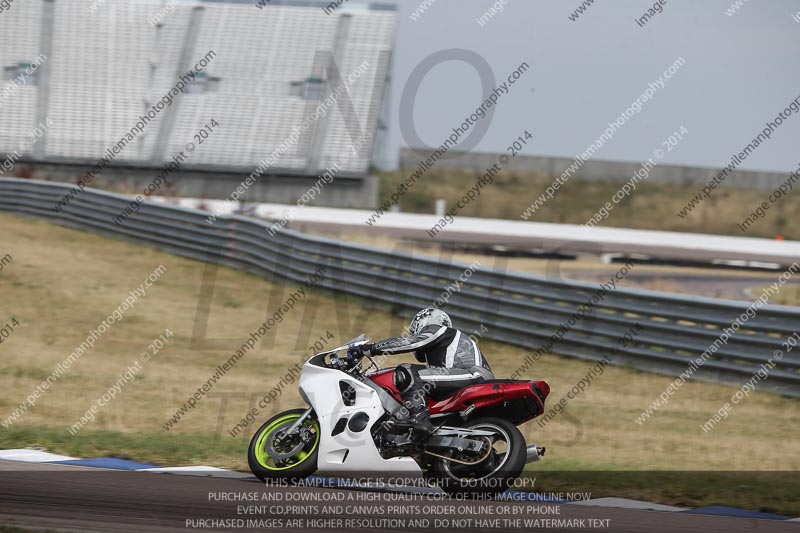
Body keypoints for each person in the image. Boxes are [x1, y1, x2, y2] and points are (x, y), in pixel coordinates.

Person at [348, 308, 494, 439]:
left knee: (406, 370)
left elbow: (410, 342)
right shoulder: (445, 348)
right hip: (471, 378)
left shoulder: (439, 330)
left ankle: (419, 418)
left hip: (473, 375)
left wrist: (369, 349)